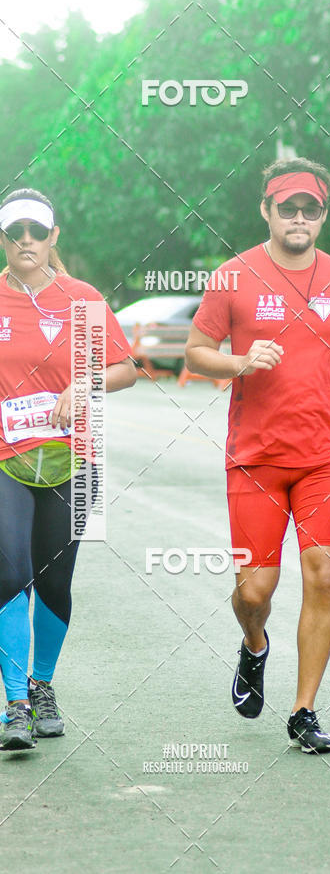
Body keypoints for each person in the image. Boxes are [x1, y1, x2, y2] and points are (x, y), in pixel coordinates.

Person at [185, 158, 330, 753]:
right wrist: (239, 362)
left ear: (321, 215)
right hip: (255, 458)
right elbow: (195, 353)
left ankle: (304, 710)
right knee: (254, 592)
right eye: (286, 207)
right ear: (266, 210)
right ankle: (254, 645)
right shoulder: (233, 276)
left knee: (323, 574)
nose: (298, 218)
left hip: (323, 455)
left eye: (309, 209)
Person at [0, 188, 136, 751]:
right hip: (5, 459)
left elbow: (126, 368)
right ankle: (15, 705)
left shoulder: (83, 301)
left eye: (37, 230)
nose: (26, 240)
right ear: (5, 239)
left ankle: (43, 685)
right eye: (16, 231)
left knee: (56, 580)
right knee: (9, 572)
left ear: (54, 236)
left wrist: (86, 385)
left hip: (76, 459)